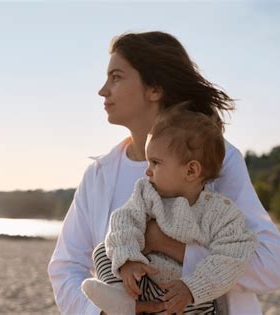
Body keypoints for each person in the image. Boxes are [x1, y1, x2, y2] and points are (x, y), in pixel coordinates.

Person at [48, 31, 280, 315]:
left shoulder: (213, 159)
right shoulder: (99, 175)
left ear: (154, 89)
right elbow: (66, 267)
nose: (103, 90)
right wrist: (101, 312)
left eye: (116, 77)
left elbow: (269, 266)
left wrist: (164, 244)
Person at [81, 103, 258, 315]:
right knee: (104, 249)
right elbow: (124, 221)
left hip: (184, 295)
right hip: (140, 282)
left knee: (207, 303)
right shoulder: (146, 193)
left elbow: (232, 257)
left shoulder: (221, 213)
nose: (147, 171)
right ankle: (121, 299)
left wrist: (192, 288)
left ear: (191, 170)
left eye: (155, 162)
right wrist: (128, 261)